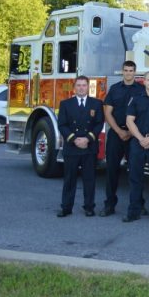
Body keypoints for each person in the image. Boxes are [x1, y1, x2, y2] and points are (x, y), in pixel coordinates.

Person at [100, 60, 144, 217]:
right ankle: (109, 205)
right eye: (126, 70)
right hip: (116, 133)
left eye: (131, 70)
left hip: (134, 135)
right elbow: (107, 113)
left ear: (135, 72)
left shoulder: (141, 90)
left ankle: (139, 204)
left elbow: (143, 114)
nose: (128, 73)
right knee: (112, 170)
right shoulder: (114, 89)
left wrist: (131, 132)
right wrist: (119, 131)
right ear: (122, 71)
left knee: (136, 171)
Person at [57, 76, 104, 217]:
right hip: (72, 147)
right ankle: (66, 207)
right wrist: (74, 140)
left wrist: (88, 139)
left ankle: (89, 207)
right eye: (78, 85)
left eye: (84, 85)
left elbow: (99, 123)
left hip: (89, 147)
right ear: (74, 87)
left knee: (89, 179)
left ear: (88, 87)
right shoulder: (66, 104)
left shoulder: (96, 103)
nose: (81, 88)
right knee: (69, 179)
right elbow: (62, 125)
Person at [123, 71, 149, 223]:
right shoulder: (135, 99)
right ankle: (133, 211)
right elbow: (129, 121)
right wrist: (141, 139)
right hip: (137, 142)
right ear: (144, 82)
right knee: (135, 177)